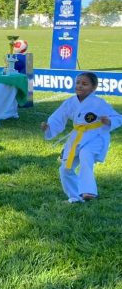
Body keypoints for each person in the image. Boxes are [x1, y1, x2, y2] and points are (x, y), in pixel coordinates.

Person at [41, 72, 121, 203]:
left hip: (95, 136)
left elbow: (118, 117)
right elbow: (59, 117)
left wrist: (109, 121)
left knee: (85, 156)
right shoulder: (70, 102)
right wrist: (48, 127)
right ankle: (75, 196)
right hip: (77, 137)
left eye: (84, 84)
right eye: (78, 83)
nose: (79, 86)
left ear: (93, 88)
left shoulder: (99, 103)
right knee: (65, 168)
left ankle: (89, 191)